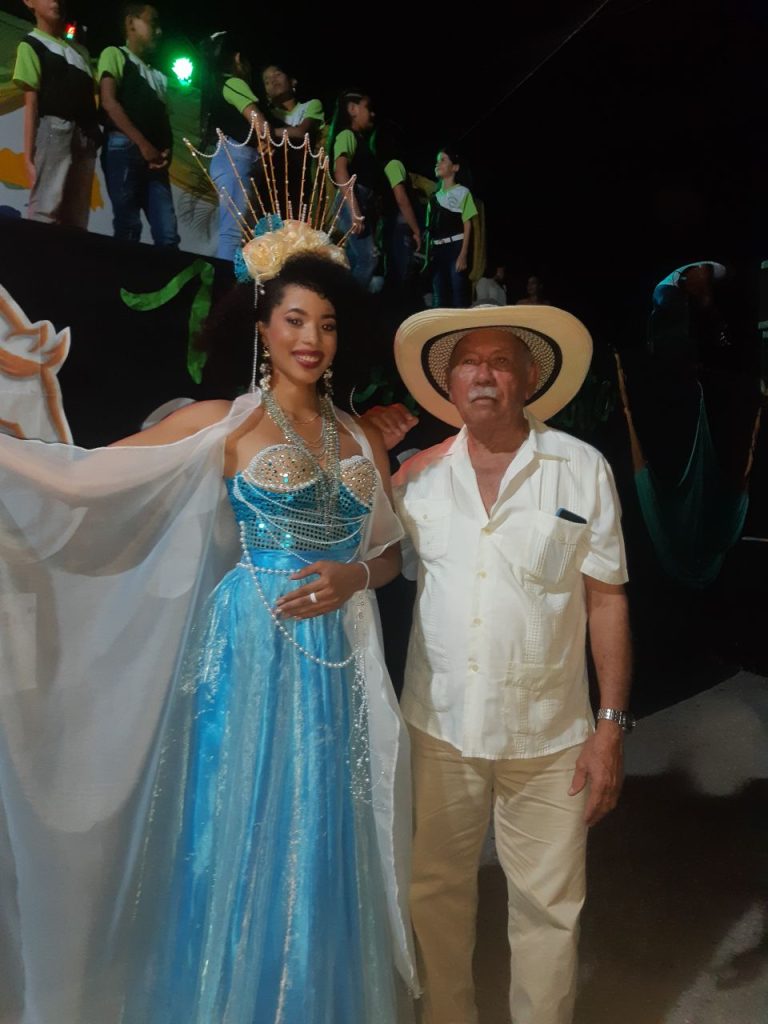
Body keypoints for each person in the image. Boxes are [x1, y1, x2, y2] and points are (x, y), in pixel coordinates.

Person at [0, 209, 417, 1018]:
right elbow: (82, 478)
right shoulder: (225, 425)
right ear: (263, 328)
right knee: (245, 827)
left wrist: (356, 576)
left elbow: (392, 555)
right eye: (295, 319)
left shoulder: (361, 438)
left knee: (327, 832)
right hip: (252, 650)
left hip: (341, 659)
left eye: (327, 324)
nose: (312, 338)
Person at [385, 304, 632, 1024]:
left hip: (551, 734)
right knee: (434, 895)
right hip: (440, 728)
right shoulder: (417, 479)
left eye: (500, 361)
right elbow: (377, 563)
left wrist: (610, 727)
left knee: (549, 910)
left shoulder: (581, 468)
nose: (483, 374)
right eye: (468, 362)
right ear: (450, 383)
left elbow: (607, 601)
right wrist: (371, 449)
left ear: (529, 379)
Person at [98, 3, 179, 246]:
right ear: (131, 23)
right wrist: (143, 145)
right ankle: (122, 271)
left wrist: (166, 151)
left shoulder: (159, 76)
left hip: (155, 160)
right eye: (152, 22)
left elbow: (163, 120)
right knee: (129, 225)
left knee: (168, 234)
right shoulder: (115, 54)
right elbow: (109, 102)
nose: (159, 31)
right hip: (124, 148)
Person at [13, 0, 99, 227]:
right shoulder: (32, 44)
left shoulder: (80, 52)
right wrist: (28, 157)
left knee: (77, 219)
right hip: (55, 130)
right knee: (46, 210)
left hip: (85, 138)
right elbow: (31, 103)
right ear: (29, 2)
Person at [200, 32, 265, 261]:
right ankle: (223, 279)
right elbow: (259, 122)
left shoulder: (213, 87)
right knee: (233, 233)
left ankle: (227, 278)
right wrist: (270, 140)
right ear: (238, 59)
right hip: (235, 159)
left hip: (227, 158)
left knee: (239, 231)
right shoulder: (233, 82)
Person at [330, 89, 387, 290]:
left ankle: (344, 301)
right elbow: (340, 170)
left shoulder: (360, 139)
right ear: (353, 109)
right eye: (368, 108)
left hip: (358, 201)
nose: (372, 113)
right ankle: (351, 304)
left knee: (354, 259)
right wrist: (354, 210)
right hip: (351, 200)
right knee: (368, 257)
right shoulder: (347, 135)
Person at [426, 148, 478, 308]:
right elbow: (429, 230)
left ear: (455, 167)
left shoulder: (463, 192)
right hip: (437, 250)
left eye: (443, 160)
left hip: (455, 247)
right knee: (439, 295)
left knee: (458, 294)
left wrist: (463, 254)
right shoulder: (433, 197)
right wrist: (427, 257)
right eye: (437, 161)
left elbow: (467, 224)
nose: (438, 164)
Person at [261, 61, 325, 143]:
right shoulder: (267, 115)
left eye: (277, 74)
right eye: (267, 81)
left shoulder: (311, 105)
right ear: (267, 94)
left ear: (293, 81)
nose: (273, 80)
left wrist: (268, 133)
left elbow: (302, 132)